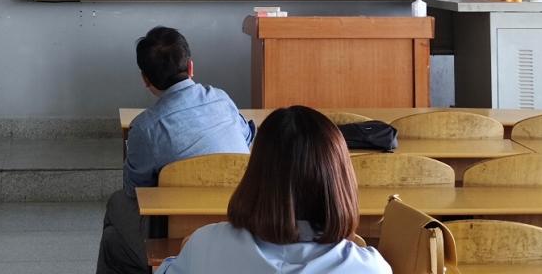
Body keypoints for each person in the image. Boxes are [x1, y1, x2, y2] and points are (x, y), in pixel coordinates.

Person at [156, 106, 390, 274]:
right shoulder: (369, 268)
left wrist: (192, 252)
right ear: (340, 181)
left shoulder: (206, 246)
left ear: (255, 175)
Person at [97, 26, 254, 274]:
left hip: (175, 233)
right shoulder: (221, 99)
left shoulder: (145, 127)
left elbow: (136, 191)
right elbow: (248, 140)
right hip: (241, 225)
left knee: (114, 225)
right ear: (191, 67)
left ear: (145, 80)